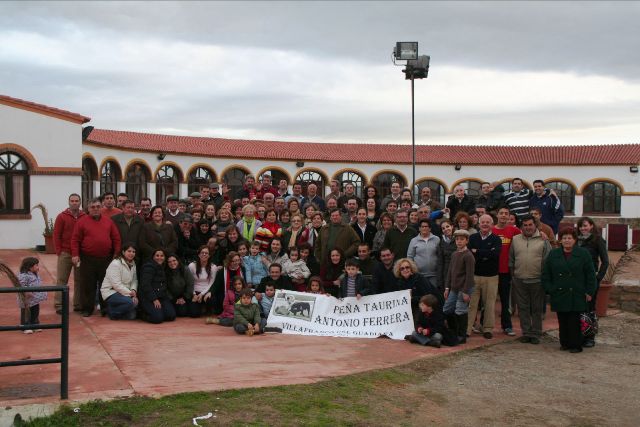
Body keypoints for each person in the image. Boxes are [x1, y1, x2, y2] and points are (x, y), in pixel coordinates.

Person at [542, 228, 597, 353]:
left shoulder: (583, 253)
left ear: (575, 240)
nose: (567, 240)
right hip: (559, 292)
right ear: (560, 240)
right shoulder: (554, 254)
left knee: (574, 320)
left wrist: (590, 292)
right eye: (564, 238)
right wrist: (550, 289)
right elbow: (546, 274)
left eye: (569, 238)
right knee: (562, 319)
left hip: (577, 292)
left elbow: (590, 274)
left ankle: (576, 345)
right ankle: (565, 343)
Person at [71, 197, 121, 317]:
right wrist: (75, 254)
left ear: (101, 207)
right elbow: (75, 239)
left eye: (98, 207)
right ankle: (87, 308)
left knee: (105, 285)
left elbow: (116, 238)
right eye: (93, 207)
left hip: (106, 259)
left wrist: (116, 253)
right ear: (88, 209)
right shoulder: (82, 222)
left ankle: (104, 308)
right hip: (87, 258)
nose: (95, 209)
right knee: (88, 285)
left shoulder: (108, 221)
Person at [509, 215, 551, 344]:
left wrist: (544, 278)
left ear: (535, 225)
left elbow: (548, 260)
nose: (528, 227)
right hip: (519, 280)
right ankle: (526, 332)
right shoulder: (515, 240)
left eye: (530, 225)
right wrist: (514, 276)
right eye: (525, 225)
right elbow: (512, 259)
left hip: (537, 280)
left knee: (537, 309)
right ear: (521, 226)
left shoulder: (543, 240)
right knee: (523, 308)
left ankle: (536, 333)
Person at [467, 214, 502, 339]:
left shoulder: (496, 239)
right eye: (483, 222)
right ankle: (468, 328)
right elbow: (470, 253)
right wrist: (486, 253)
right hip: (475, 276)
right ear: (479, 224)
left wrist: (478, 252)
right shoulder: (472, 238)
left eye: (488, 222)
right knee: (472, 304)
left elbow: (495, 254)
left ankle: (487, 328)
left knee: (489, 304)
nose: (485, 224)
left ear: (492, 224)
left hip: (491, 277)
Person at [577, 217, 609, 348]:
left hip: (590, 280)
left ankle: (590, 337)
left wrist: (598, 278)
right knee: (578, 308)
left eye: (585, 226)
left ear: (591, 226)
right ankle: (579, 335)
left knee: (589, 309)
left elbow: (605, 261)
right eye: (581, 226)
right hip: (577, 280)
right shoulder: (576, 241)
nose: (583, 228)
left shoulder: (597, 240)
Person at [53, 193, 85, 314]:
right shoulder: (61, 217)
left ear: (80, 202)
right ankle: (59, 304)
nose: (74, 203)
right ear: (69, 202)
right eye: (72, 201)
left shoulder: (84, 216)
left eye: (77, 201)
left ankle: (78, 304)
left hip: (80, 254)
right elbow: (56, 234)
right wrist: (59, 251)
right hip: (65, 253)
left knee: (79, 280)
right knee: (62, 279)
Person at [492, 206, 522, 336]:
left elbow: (527, 236)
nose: (503, 215)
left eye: (506, 213)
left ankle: (507, 326)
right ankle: (484, 325)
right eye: (501, 213)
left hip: (506, 271)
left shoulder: (514, 230)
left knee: (505, 301)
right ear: (497, 215)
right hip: (491, 271)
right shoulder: (491, 230)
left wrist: (541, 234)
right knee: (488, 300)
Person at [443, 229, 475, 344]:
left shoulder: (468, 256)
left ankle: (462, 335)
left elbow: (470, 275)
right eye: (457, 239)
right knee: (447, 309)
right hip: (454, 288)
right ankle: (453, 330)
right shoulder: (455, 254)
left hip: (464, 288)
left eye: (462, 239)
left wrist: (466, 291)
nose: (459, 242)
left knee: (460, 310)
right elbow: (450, 272)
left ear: (466, 241)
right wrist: (447, 287)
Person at [100, 244, 138, 320]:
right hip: (111, 292)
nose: (131, 253)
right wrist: (130, 294)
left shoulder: (133, 263)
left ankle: (114, 309)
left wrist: (133, 290)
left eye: (133, 251)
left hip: (125, 293)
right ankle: (111, 312)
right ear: (123, 252)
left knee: (132, 316)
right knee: (131, 303)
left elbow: (134, 280)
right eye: (129, 251)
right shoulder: (116, 264)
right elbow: (116, 285)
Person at [139, 249, 177, 324]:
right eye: (157, 255)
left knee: (171, 316)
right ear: (153, 257)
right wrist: (154, 299)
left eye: (162, 256)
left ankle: (158, 311)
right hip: (148, 297)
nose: (159, 257)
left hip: (161, 296)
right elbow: (145, 285)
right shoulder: (148, 267)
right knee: (157, 318)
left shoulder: (163, 266)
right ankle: (141, 313)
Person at [407, 219, 441, 289]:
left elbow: (440, 255)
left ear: (430, 228)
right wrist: (412, 270)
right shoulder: (414, 240)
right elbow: (410, 257)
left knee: (433, 294)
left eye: (426, 226)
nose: (424, 228)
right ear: (419, 228)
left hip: (434, 274)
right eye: (422, 227)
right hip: (419, 274)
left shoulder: (436, 239)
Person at [210, 251, 245, 316]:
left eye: (237, 260)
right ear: (229, 261)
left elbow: (244, 284)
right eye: (233, 261)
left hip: (239, 295)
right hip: (225, 295)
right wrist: (210, 292)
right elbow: (216, 285)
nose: (236, 263)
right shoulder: (222, 271)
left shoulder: (242, 270)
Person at [18, 257, 47, 334]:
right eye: (36, 265)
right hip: (26, 299)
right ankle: (25, 326)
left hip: (35, 299)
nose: (38, 267)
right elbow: (21, 285)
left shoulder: (35, 274)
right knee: (26, 312)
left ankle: (35, 324)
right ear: (30, 267)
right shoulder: (23, 275)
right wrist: (26, 291)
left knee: (35, 311)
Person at [188, 246, 217, 318]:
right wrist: (194, 294)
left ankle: (207, 308)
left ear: (209, 255)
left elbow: (211, 282)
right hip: (195, 291)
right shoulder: (192, 266)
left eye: (206, 253)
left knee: (212, 300)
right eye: (202, 253)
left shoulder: (213, 267)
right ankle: (200, 307)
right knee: (194, 314)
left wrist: (202, 294)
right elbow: (189, 282)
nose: (204, 254)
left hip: (206, 291)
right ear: (198, 254)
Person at [437, 220, 456, 294]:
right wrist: (439, 281)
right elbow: (440, 262)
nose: (446, 229)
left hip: (458, 272)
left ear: (452, 226)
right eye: (443, 228)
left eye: (447, 226)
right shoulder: (441, 242)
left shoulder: (459, 238)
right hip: (447, 273)